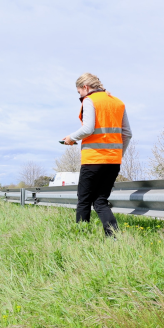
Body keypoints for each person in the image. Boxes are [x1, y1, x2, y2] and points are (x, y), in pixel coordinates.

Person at [61, 72, 132, 237]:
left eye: (79, 92)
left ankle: (81, 238)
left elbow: (88, 129)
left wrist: (71, 138)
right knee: (100, 201)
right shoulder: (118, 103)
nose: (80, 96)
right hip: (113, 161)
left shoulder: (89, 100)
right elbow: (127, 134)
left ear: (85, 87)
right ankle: (113, 237)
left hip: (93, 159)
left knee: (84, 200)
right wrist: (118, 155)